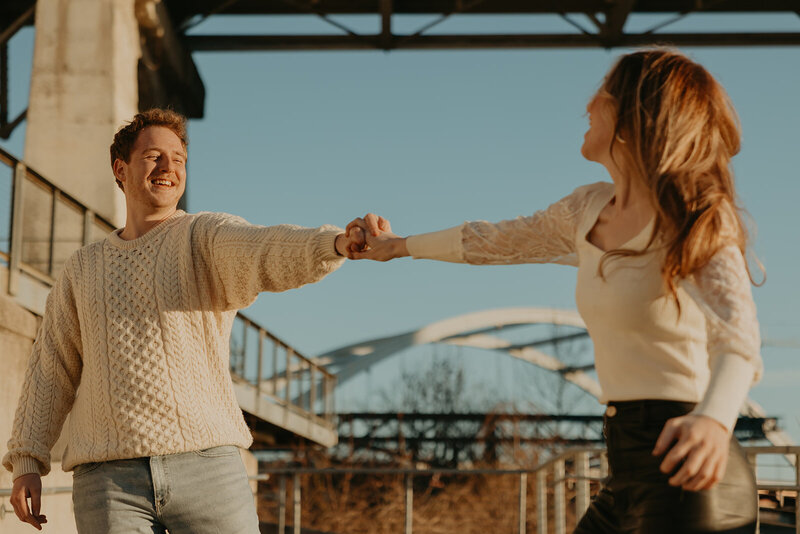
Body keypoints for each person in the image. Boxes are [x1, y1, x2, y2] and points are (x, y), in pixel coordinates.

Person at [348, 49, 762, 533]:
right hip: (626, 468)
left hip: (689, 466)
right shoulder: (585, 208)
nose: (588, 106)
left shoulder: (694, 217)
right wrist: (399, 247)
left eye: (602, 95)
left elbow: (739, 338)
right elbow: (495, 240)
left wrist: (714, 420)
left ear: (635, 114)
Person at [3, 108, 369, 533]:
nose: (168, 168)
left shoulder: (203, 236)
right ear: (121, 169)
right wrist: (28, 461)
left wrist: (335, 243)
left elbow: (263, 248)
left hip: (209, 470)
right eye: (154, 156)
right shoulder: (82, 269)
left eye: (178, 159)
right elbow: (52, 369)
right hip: (109, 483)